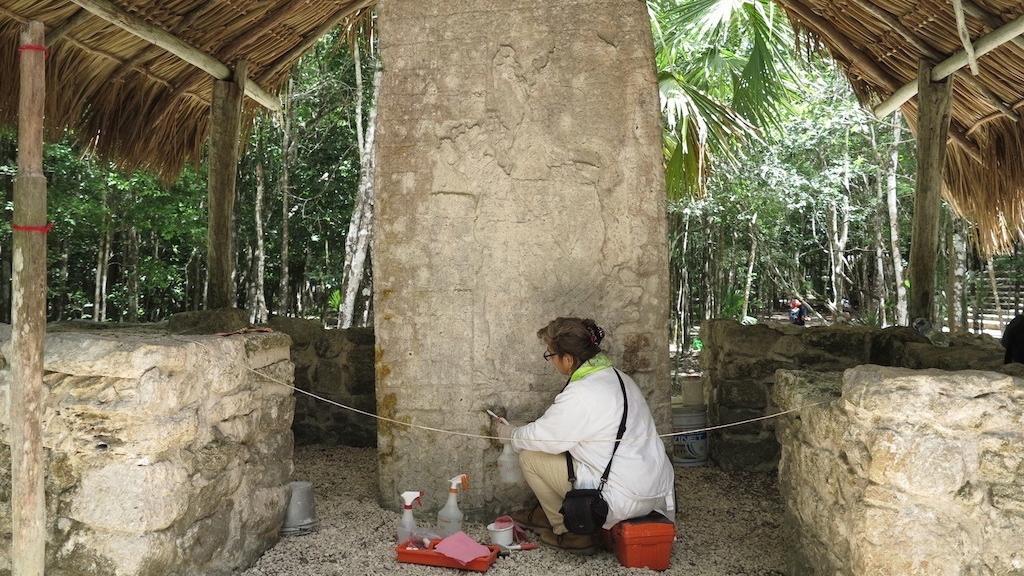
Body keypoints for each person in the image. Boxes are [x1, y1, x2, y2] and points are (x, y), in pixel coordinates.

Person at [492, 317, 674, 554]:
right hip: (655, 490)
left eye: (550, 355)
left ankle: (572, 533)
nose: (550, 361)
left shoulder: (582, 392)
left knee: (530, 457)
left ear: (568, 359)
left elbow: (542, 438)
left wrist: (508, 434)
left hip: (623, 496)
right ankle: (549, 515)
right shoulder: (619, 378)